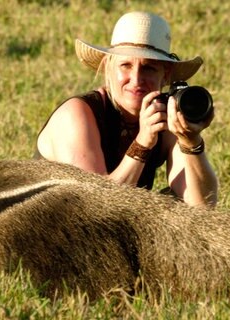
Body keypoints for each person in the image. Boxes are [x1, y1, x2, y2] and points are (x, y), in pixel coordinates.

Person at [34, 11, 218, 207]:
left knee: (176, 210)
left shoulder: (164, 115)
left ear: (166, 75)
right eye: (126, 65)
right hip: (47, 227)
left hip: (101, 230)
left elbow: (202, 207)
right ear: (108, 68)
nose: (136, 79)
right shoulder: (78, 114)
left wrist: (191, 142)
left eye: (149, 68)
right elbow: (96, 206)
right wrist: (142, 143)